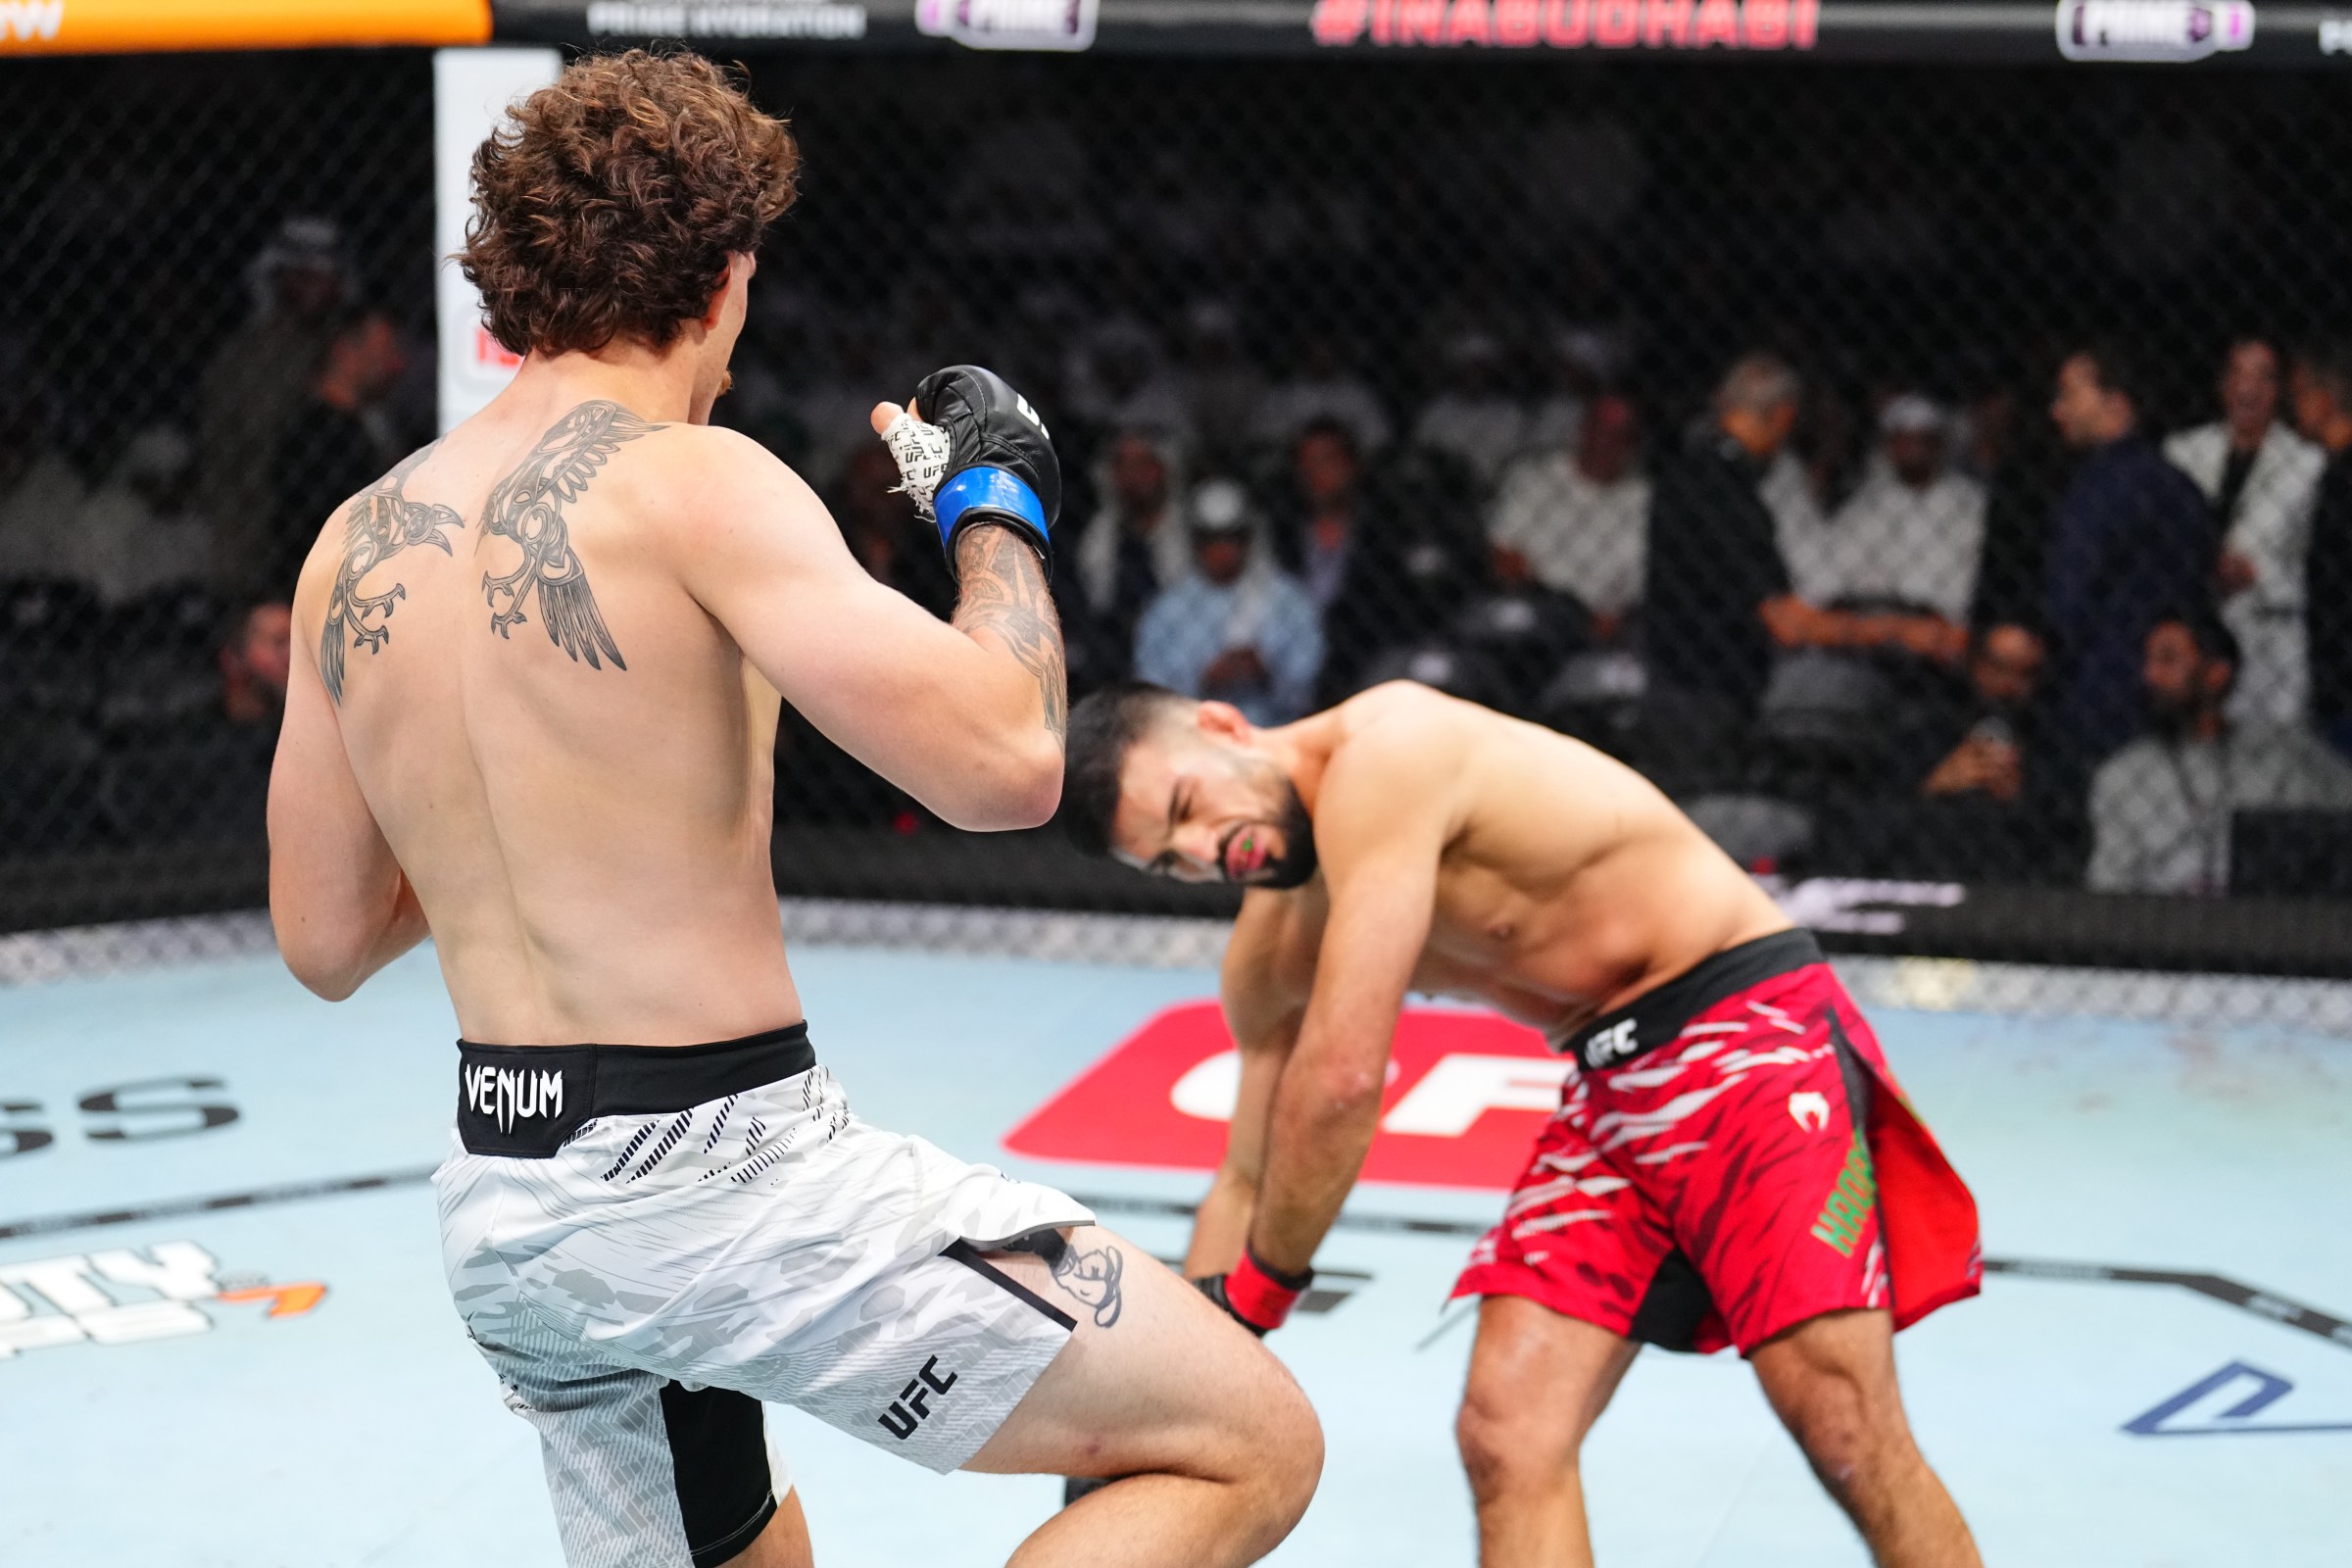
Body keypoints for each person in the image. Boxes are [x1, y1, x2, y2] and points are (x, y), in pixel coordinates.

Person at [267, 53, 1317, 1568]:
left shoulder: (355, 544)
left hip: (510, 1215)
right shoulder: (696, 482)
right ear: (724, 276)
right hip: (725, 1187)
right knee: (1250, 1443)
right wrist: (996, 515)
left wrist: (521, 799)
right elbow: (1011, 760)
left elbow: (324, 933)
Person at [1060, 679, 1984, 1568]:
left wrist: (1259, 1295)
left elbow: (1343, 1078)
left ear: (1224, 726)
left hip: (1741, 1030)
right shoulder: (1269, 949)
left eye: (1188, 807)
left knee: (1847, 1431)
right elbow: (1247, 1178)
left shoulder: (1390, 753)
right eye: (1172, 860)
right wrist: (1180, 1386)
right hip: (1609, 1088)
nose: (1209, 851)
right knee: (1509, 1433)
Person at [2085, 612, 2352, 895]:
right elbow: (2109, 886)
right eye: (2148, 661)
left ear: (2216, 674)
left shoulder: (2279, 754)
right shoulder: (2122, 776)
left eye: (2167, 660)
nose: (2150, 676)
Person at [2043, 344, 2218, 770]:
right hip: (2176, 691)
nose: (2056, 409)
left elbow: (2068, 602)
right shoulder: (2181, 486)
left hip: (2099, 694)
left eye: (2070, 394)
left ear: (2116, 403)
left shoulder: (2099, 490)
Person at [2165, 338, 2325, 727]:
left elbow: (2320, 569)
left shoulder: (2308, 465)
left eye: (2263, 377)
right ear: (2222, 384)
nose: (2248, 387)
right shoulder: (2182, 453)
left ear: (2279, 390)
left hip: (2268, 645)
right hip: (2194, 634)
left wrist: (2257, 575)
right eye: (2237, 373)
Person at [199, 217, 350, 602]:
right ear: (278, 277)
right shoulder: (243, 359)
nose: (312, 285)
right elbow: (221, 464)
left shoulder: (354, 347)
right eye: (301, 274)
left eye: (322, 274)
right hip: (263, 533)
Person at [1134, 477, 1323, 725]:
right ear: (1194, 540)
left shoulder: (1287, 600)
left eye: (1232, 536)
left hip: (1272, 734)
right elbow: (1148, 697)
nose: (1221, 548)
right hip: (1191, 737)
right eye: (1210, 538)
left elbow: (1309, 693)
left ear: (1249, 537)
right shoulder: (1166, 610)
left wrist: (1266, 674)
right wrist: (1202, 682)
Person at [1797, 395, 1985, 632]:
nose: (1914, 447)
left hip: (1943, 625)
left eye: (1923, 438)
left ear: (1939, 443)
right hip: (1872, 621)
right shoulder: (1866, 502)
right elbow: (1831, 573)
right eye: (1904, 438)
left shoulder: (1969, 502)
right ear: (1889, 445)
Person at [1486, 391, 1647, 643]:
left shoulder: (1643, 501)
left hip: (1602, 627)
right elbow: (1504, 552)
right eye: (1600, 429)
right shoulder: (1534, 476)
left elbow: (1634, 587)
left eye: (1620, 433)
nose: (1606, 441)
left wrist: (1608, 622)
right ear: (1583, 430)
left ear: (1632, 442)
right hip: (1534, 603)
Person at [2289, 342, 2352, 760]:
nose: (2293, 409)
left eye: (2298, 396)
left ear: (2323, 398)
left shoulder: (2342, 478)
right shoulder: (2332, 470)